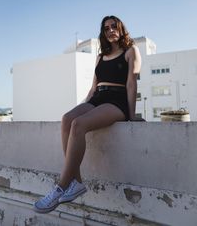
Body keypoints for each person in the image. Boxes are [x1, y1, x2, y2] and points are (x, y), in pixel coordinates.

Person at [33, 15, 141, 213]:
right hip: (97, 97)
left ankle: (61, 186)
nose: (110, 31)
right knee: (68, 119)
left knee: (79, 125)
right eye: (106, 28)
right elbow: (93, 88)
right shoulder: (100, 56)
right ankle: (77, 181)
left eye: (113, 27)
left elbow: (131, 83)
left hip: (116, 101)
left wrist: (132, 115)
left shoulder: (131, 51)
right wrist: (82, 106)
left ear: (121, 29)